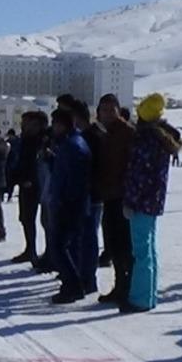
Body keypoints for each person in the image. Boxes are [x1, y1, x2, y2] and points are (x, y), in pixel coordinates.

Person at [121, 94, 181, 313]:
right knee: (150, 250)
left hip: (141, 202)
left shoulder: (145, 140)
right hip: (153, 202)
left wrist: (130, 201)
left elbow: (138, 174)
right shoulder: (163, 139)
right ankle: (149, 295)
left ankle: (140, 298)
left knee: (141, 252)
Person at [47, 108, 92, 303]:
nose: (53, 128)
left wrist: (64, 201)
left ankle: (73, 286)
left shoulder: (72, 146)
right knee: (64, 246)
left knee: (59, 246)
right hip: (71, 202)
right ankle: (71, 285)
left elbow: (74, 179)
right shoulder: (70, 144)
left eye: (55, 124)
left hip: (70, 204)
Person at [95, 94, 135, 305]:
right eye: (104, 110)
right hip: (110, 194)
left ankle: (126, 288)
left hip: (122, 196)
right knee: (114, 244)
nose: (108, 114)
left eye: (112, 110)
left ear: (119, 111)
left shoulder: (126, 133)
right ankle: (120, 286)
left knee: (122, 246)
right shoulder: (108, 133)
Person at [75, 102, 104, 297]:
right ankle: (84, 276)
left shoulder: (89, 138)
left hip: (91, 194)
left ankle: (88, 278)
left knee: (88, 238)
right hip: (90, 193)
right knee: (85, 237)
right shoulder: (92, 136)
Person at [10, 112, 47, 263]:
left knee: (42, 219)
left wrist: (29, 179)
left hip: (36, 183)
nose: (23, 125)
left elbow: (36, 163)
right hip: (24, 182)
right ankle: (29, 248)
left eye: (26, 123)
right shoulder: (24, 139)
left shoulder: (41, 140)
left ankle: (43, 252)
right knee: (25, 218)